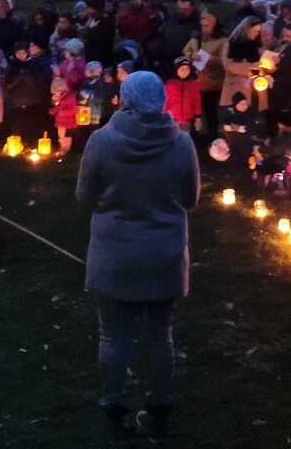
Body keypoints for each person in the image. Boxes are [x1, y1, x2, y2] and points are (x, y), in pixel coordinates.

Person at [75, 71, 200, 442]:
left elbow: (84, 197)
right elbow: (190, 199)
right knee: (160, 335)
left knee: (113, 335)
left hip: (115, 255)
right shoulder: (182, 144)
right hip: (163, 254)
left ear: (125, 99)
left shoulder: (102, 141)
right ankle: (159, 405)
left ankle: (114, 404)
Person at [182, 12, 228, 138]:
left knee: (210, 110)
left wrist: (209, 59)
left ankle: (212, 135)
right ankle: (196, 135)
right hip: (196, 81)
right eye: (202, 26)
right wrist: (192, 56)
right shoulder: (196, 39)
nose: (204, 29)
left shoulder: (223, 41)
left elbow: (225, 61)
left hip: (212, 83)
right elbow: (186, 51)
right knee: (195, 110)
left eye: (207, 26)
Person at [220, 17, 265, 116]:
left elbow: (262, 67)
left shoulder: (258, 46)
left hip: (257, 88)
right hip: (237, 90)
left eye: (258, 31)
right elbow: (229, 66)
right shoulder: (232, 44)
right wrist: (252, 68)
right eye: (254, 30)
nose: (256, 33)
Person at [165, 56, 202, 133]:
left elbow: (197, 102)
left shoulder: (194, 85)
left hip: (187, 121)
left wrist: (198, 118)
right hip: (172, 120)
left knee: (185, 138)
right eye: (182, 69)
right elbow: (165, 102)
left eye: (187, 69)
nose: (185, 71)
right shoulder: (170, 84)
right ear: (176, 70)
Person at [83, 0, 116, 66]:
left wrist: (90, 30)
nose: (86, 10)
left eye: (88, 7)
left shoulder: (106, 22)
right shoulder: (90, 20)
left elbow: (100, 40)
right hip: (90, 59)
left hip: (102, 60)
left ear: (95, 8)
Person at [50, 76, 77, 156]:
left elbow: (74, 110)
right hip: (60, 122)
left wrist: (62, 113)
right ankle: (62, 149)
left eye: (56, 92)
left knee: (66, 137)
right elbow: (58, 107)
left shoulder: (69, 98)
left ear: (61, 89)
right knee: (61, 137)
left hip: (68, 123)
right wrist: (53, 110)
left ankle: (66, 151)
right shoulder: (60, 98)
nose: (55, 94)